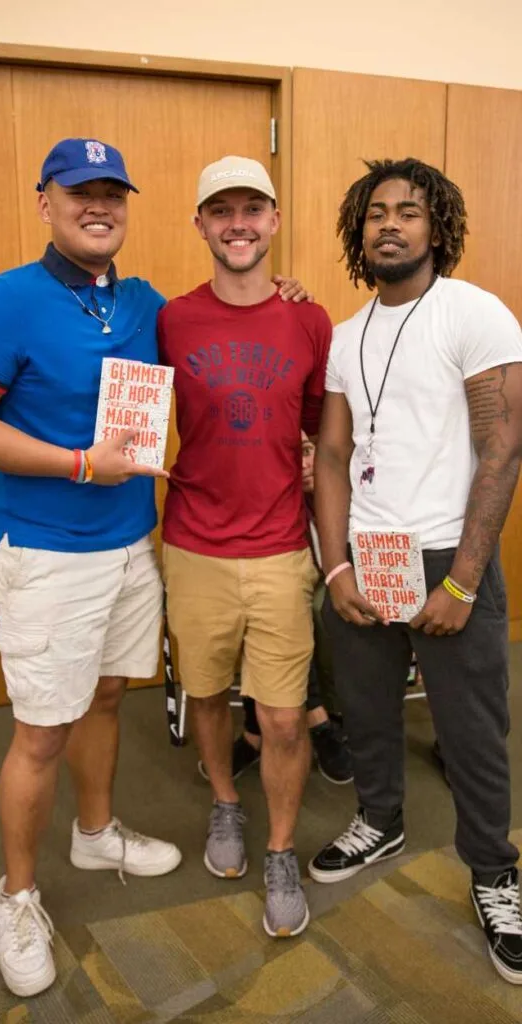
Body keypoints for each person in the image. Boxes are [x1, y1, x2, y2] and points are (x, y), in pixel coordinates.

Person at [0, 138, 309, 998]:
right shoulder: (5, 300)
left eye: (112, 192)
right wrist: (77, 463)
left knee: (107, 695)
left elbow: (230, 313)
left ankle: (96, 830)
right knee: (40, 730)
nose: (97, 205)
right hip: (43, 550)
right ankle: (20, 894)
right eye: (79, 193)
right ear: (46, 203)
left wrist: (283, 292)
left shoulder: (145, 303)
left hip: (129, 544)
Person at [309, 157, 522, 985]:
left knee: (472, 730)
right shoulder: (345, 335)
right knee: (366, 713)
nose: (390, 224)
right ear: (358, 231)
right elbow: (331, 451)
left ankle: (495, 870)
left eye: (408, 212)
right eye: (375, 213)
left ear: (439, 228)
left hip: (446, 553)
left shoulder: (474, 312)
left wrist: (464, 579)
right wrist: (335, 570)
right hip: (367, 555)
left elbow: (501, 447)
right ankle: (381, 820)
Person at [158, 156, 332, 940]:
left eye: (252, 209)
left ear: (274, 221)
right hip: (192, 543)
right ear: (200, 223)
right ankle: (226, 801)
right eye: (220, 210)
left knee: (286, 718)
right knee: (205, 691)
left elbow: (326, 433)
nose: (238, 223)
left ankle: (281, 848)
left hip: (278, 545)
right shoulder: (169, 319)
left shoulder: (309, 317)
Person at [198, 433, 353, 786]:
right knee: (267, 607)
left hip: (338, 584)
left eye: (309, 451)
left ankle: (257, 733)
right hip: (283, 586)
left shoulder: (347, 488)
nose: (304, 464)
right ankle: (316, 721)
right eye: (293, 457)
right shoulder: (273, 503)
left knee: (300, 613)